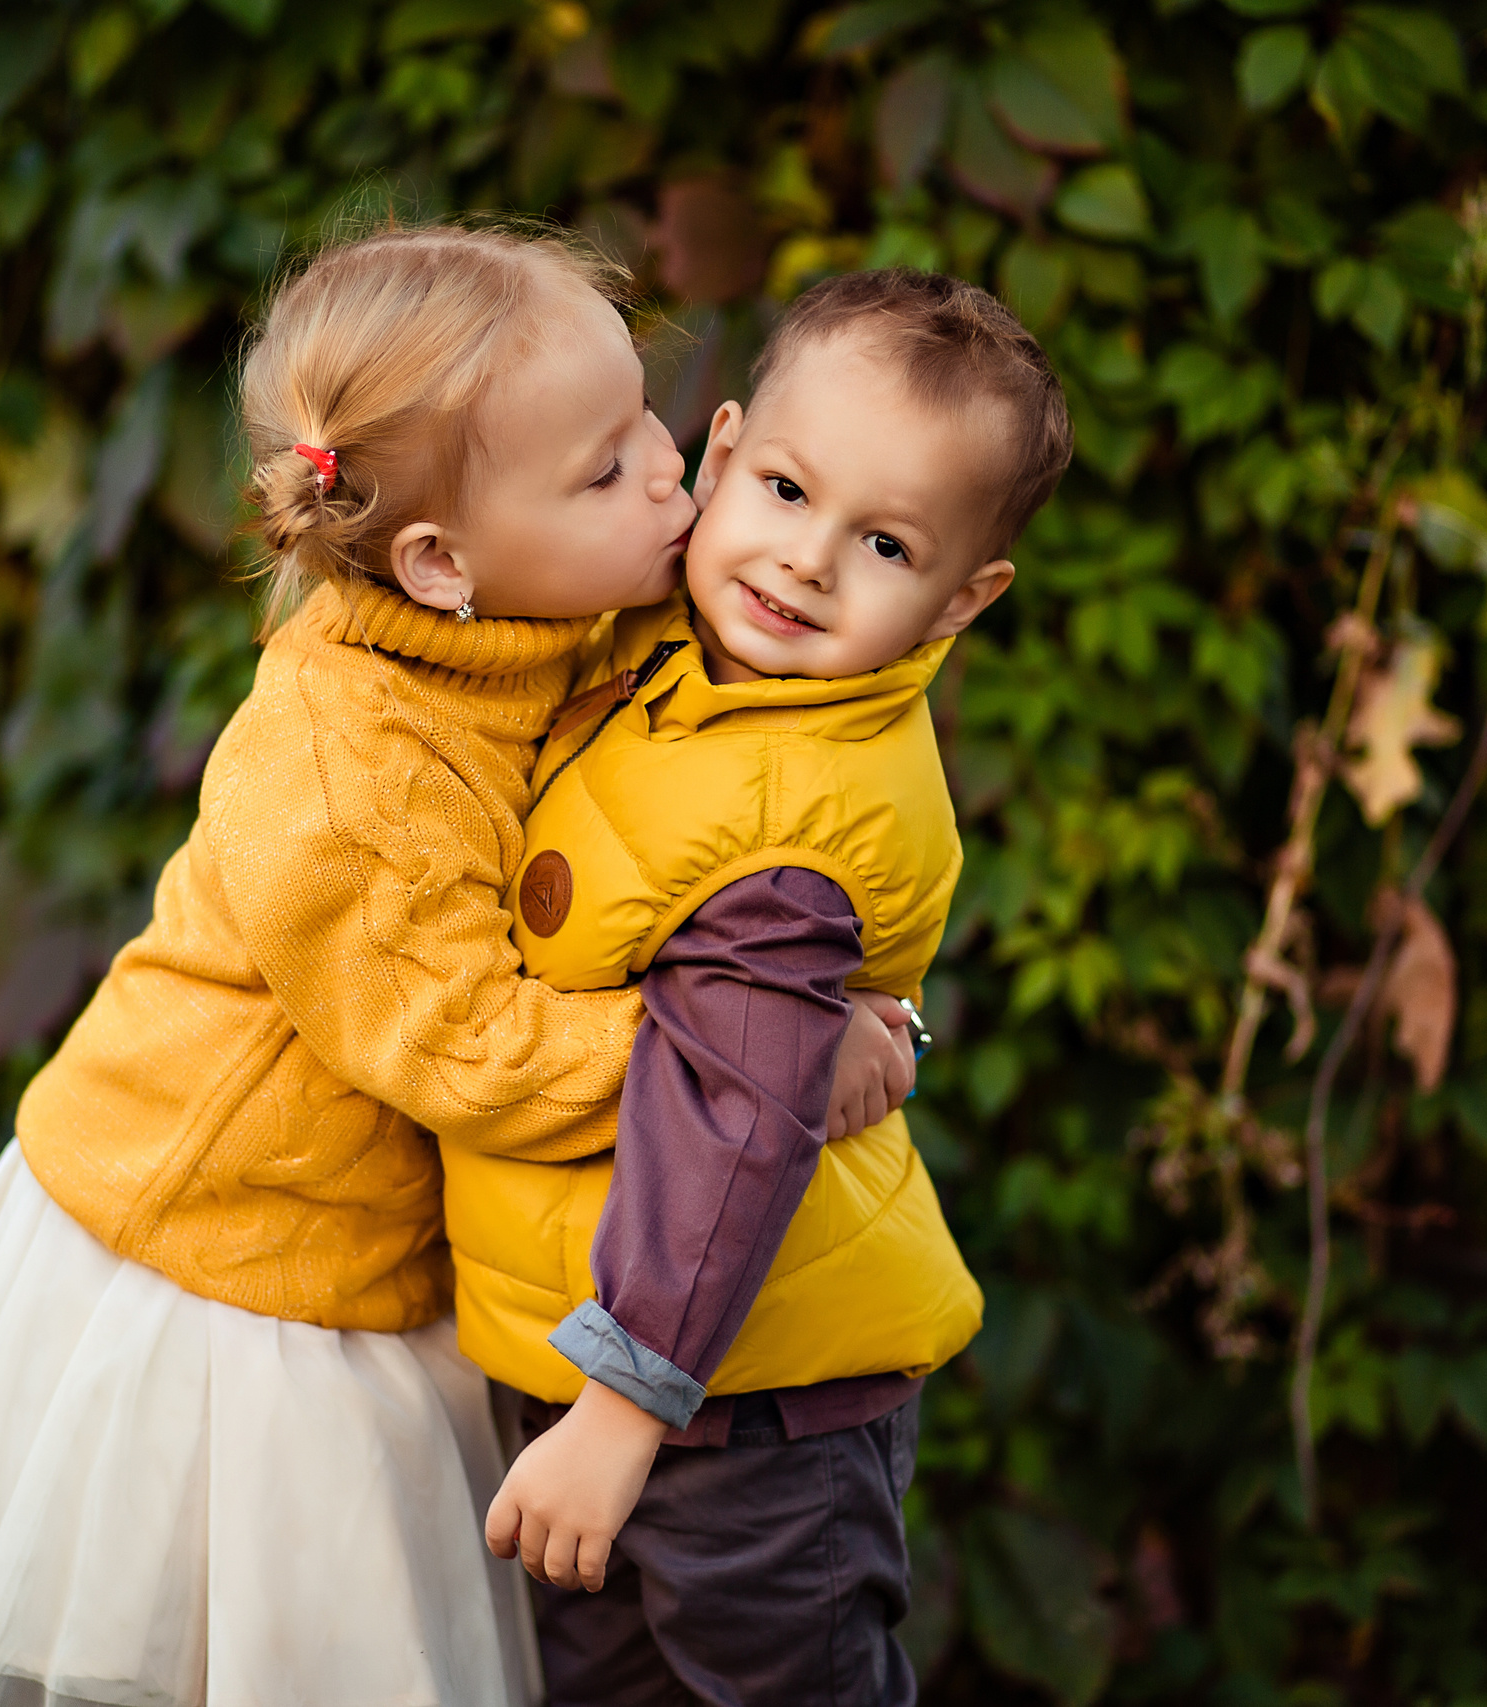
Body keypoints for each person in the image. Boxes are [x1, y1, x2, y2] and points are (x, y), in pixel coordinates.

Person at [0, 223, 916, 1707]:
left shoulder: (566, 604)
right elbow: (467, 1047)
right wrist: (759, 1063)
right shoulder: (348, 772)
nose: (668, 474)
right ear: (438, 562)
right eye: (603, 469)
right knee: (254, 1648)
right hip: (225, 1258)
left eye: (644, 422)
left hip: (370, 1237)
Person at [460, 269, 1077, 1706]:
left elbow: (735, 1131)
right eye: (789, 492)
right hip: (620, 1350)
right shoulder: (673, 644)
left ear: (961, 598)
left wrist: (624, 1412)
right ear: (719, 453)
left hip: (746, 1416)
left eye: (882, 540)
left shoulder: (794, 828)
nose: (804, 562)